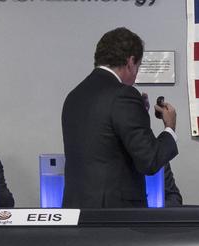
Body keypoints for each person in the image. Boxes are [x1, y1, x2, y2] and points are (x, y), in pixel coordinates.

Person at [62, 27, 178, 208]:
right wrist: (169, 128)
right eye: (138, 67)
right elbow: (149, 161)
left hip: (77, 209)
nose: (136, 75)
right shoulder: (124, 95)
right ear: (130, 62)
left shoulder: (74, 96)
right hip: (114, 214)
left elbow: (103, 140)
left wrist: (138, 114)